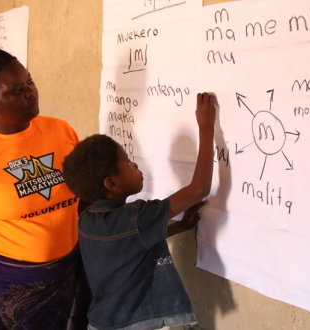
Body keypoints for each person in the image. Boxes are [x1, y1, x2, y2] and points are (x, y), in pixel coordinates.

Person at [0, 49, 91, 330]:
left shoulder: (61, 131)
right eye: (16, 90)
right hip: (13, 287)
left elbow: (83, 199)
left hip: (70, 272)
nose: (31, 93)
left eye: (30, 81)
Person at [62, 92, 217, 330]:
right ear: (111, 184)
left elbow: (131, 244)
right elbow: (199, 189)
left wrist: (180, 226)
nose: (134, 164)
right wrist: (206, 127)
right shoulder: (136, 216)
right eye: (127, 162)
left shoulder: (87, 221)